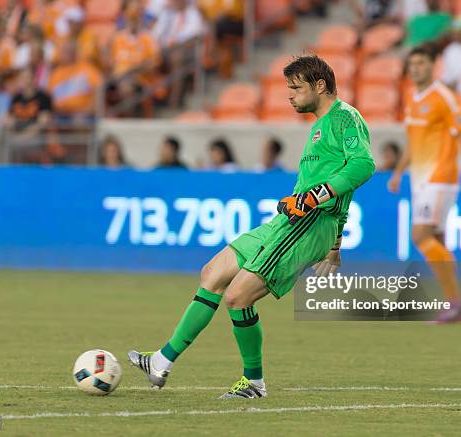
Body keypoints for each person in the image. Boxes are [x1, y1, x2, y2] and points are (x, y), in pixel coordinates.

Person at [128, 55, 375, 398]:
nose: (289, 95)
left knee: (238, 296)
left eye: (295, 87)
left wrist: (317, 202)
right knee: (212, 272)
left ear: (320, 86)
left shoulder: (344, 117)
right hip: (291, 220)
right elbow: (342, 183)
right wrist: (335, 242)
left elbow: (363, 166)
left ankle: (254, 382)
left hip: (308, 223)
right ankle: (162, 360)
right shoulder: (320, 126)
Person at [387, 46, 461, 323]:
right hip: (419, 181)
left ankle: (456, 301)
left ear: (434, 65)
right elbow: (413, 139)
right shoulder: (411, 98)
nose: (416, 68)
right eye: (412, 63)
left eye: (421, 62)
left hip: (441, 178)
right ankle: (452, 304)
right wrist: (397, 172)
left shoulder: (444, 97)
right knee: (438, 241)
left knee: (420, 235)